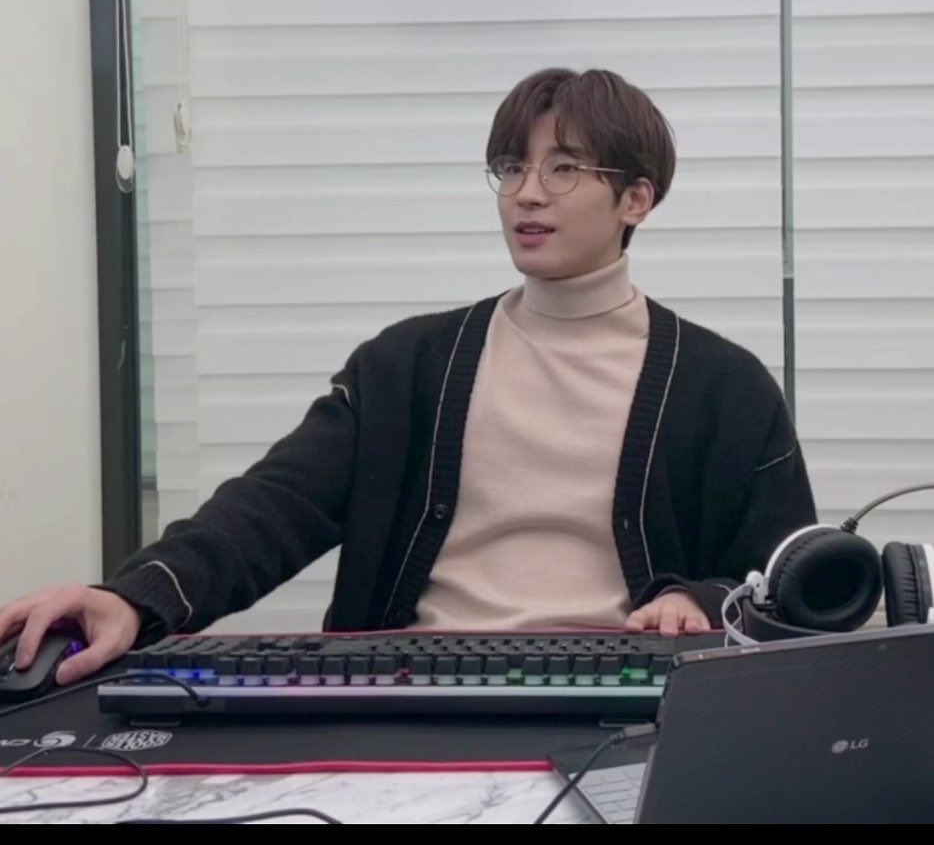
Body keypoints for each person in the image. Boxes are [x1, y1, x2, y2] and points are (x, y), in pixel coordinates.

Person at [0, 67, 817, 686]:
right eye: (511, 168)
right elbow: (273, 506)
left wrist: (700, 601)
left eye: (564, 169)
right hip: (413, 689)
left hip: (625, 699)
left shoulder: (725, 387)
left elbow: (788, 582)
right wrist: (137, 597)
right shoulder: (407, 366)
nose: (526, 195)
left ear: (636, 199)